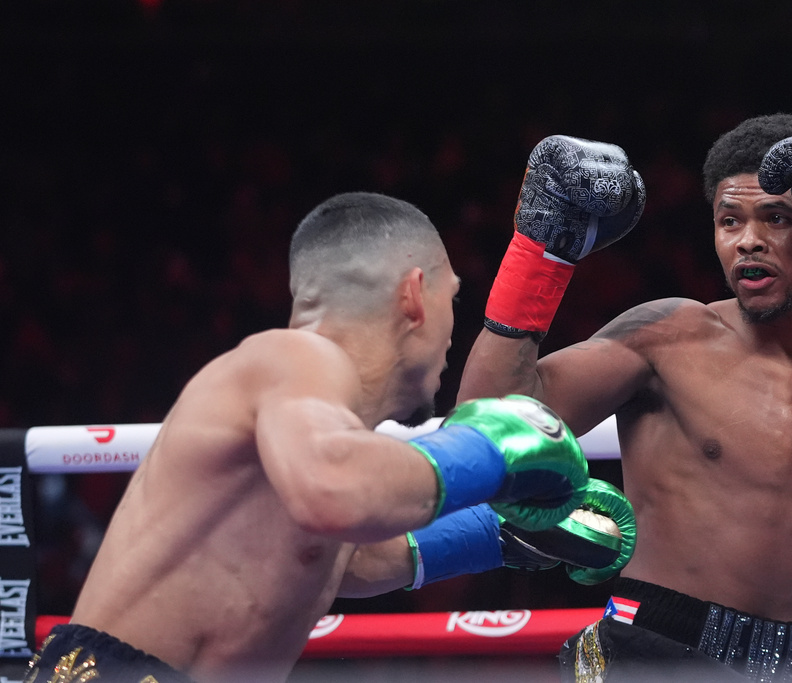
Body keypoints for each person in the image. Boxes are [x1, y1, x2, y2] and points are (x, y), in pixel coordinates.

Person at [23, 192, 600, 683]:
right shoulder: (295, 358)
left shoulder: (314, 423)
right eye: (452, 300)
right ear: (413, 297)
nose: (453, 328)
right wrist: (495, 448)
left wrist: (498, 533)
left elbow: (350, 559)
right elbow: (334, 489)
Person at [457, 118, 792, 681]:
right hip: (647, 650)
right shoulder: (668, 334)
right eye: (729, 220)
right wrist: (538, 255)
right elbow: (489, 426)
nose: (748, 240)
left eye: (778, 219)